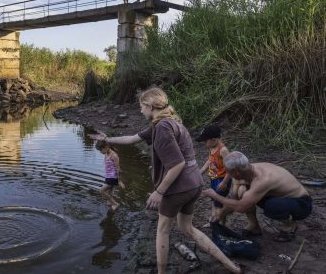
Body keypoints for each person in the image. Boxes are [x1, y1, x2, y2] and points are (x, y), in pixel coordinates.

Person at [89, 87, 241, 273]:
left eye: (141, 106)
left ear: (150, 106)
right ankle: (231, 266)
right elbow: (131, 139)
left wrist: (159, 191)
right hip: (194, 183)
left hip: (179, 187)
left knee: (162, 231)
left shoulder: (161, 128)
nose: (140, 110)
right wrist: (107, 138)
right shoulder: (169, 122)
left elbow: (177, 164)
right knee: (188, 228)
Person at [202, 151, 312, 242]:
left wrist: (215, 196)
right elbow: (234, 200)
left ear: (236, 172)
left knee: (272, 206)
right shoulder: (247, 170)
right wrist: (220, 214)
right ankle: (254, 225)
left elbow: (241, 207)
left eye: (228, 172)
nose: (228, 175)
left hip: (302, 204)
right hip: (283, 198)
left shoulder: (263, 179)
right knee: (243, 191)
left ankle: (290, 226)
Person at [196, 125, 232, 225]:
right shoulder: (212, 148)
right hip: (214, 178)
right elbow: (209, 161)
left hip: (222, 180)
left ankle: (221, 224)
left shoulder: (223, 150)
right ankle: (214, 220)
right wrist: (201, 171)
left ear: (214, 139)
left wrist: (224, 182)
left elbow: (230, 168)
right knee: (214, 201)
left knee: (219, 204)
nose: (204, 143)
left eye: (205, 141)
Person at [95, 140, 125, 211]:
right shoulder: (106, 153)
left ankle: (115, 204)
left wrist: (119, 181)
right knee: (109, 192)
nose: (100, 152)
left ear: (106, 147)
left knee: (102, 191)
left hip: (113, 178)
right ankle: (110, 204)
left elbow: (118, 169)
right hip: (108, 176)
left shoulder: (114, 156)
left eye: (100, 150)